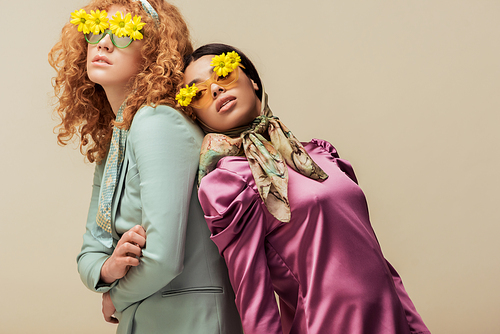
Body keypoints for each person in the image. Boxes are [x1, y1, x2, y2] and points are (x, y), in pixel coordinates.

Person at [177, 43, 432, 334]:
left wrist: (415, 327)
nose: (215, 90)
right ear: (197, 117)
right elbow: (253, 297)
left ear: (254, 82)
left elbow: (379, 263)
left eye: (223, 74)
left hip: (390, 322)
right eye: (196, 93)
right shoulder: (229, 184)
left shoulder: (320, 156)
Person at [49, 3, 242, 334]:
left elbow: (163, 258)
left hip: (192, 322)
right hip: (150, 320)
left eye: (124, 33)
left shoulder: (157, 122)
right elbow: (90, 252)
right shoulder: (117, 139)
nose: (104, 43)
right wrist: (107, 269)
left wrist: (115, 297)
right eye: (95, 29)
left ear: (154, 51)